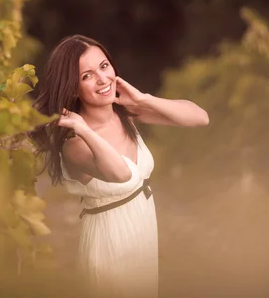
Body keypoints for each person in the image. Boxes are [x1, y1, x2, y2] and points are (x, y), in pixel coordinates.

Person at [30, 35, 209, 298]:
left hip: (142, 234)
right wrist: (84, 129)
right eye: (86, 76)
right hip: (109, 244)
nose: (102, 80)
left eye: (104, 66)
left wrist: (143, 99)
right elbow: (121, 174)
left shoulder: (124, 113)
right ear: (72, 88)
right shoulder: (75, 144)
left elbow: (199, 118)